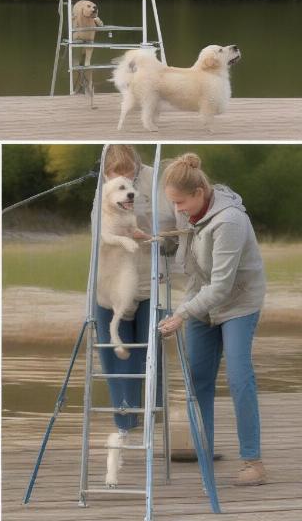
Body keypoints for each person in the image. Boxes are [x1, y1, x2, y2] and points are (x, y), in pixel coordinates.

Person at [158, 153, 267, 486]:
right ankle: (202, 449)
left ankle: (253, 463)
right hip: (203, 304)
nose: (177, 209)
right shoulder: (194, 218)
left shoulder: (229, 221)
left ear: (199, 193)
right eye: (172, 203)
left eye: (180, 202)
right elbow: (192, 268)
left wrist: (180, 314)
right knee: (197, 378)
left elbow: (221, 285)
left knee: (238, 376)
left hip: (238, 303)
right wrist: (157, 243)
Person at [94, 145, 176, 442]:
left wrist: (166, 254)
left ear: (137, 168)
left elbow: (172, 225)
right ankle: (125, 425)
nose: (124, 182)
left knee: (152, 353)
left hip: (151, 281)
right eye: (114, 177)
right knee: (116, 356)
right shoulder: (101, 188)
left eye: (129, 176)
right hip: (109, 284)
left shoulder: (157, 182)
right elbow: (98, 236)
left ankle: (153, 423)